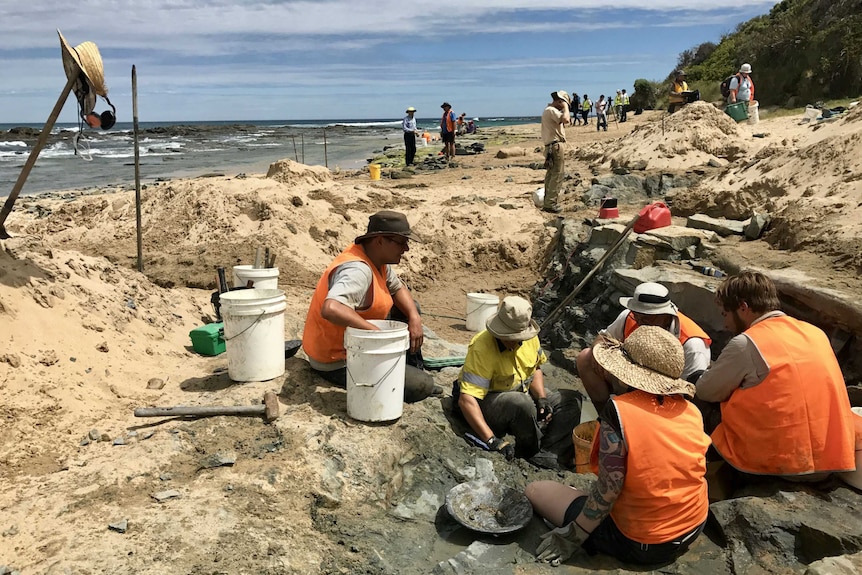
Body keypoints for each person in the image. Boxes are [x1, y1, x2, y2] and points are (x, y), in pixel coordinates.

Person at [527, 326, 710, 566]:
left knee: (536, 489)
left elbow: (608, 489)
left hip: (643, 543)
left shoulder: (619, 411)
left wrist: (574, 536)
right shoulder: (690, 410)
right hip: (694, 524)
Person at [695, 271, 855, 479]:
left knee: (696, 393)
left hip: (781, 464)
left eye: (725, 314)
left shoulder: (746, 343)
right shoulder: (815, 332)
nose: (725, 324)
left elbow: (706, 391)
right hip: (830, 461)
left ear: (743, 308)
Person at [302, 210, 441, 402]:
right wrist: (376, 332)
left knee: (411, 307)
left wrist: (414, 317)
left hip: (356, 345)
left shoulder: (377, 260)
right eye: (401, 243)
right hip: (338, 360)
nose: (406, 249)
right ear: (380, 241)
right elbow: (331, 308)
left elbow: (397, 288)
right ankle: (410, 375)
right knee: (422, 385)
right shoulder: (357, 270)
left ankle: (410, 367)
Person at [454, 296, 579, 465]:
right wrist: (492, 440)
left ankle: (550, 454)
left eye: (518, 338)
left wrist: (541, 398)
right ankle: (528, 451)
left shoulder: (529, 338)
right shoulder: (482, 348)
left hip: (520, 390)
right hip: (488, 402)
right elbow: (466, 400)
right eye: (509, 338)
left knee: (570, 400)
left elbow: (535, 369)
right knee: (521, 402)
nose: (515, 343)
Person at [576, 282, 711, 416]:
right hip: (628, 379)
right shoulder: (630, 316)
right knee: (585, 358)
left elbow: (692, 394)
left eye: (646, 319)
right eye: (637, 316)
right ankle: (606, 416)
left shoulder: (693, 345)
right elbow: (603, 337)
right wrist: (598, 353)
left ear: (665, 315)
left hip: (664, 397)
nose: (639, 323)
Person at [540, 90, 571, 214]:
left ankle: (548, 201)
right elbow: (566, 119)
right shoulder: (552, 111)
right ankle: (550, 203)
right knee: (557, 174)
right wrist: (566, 107)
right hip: (555, 145)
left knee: (551, 174)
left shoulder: (548, 110)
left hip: (550, 146)